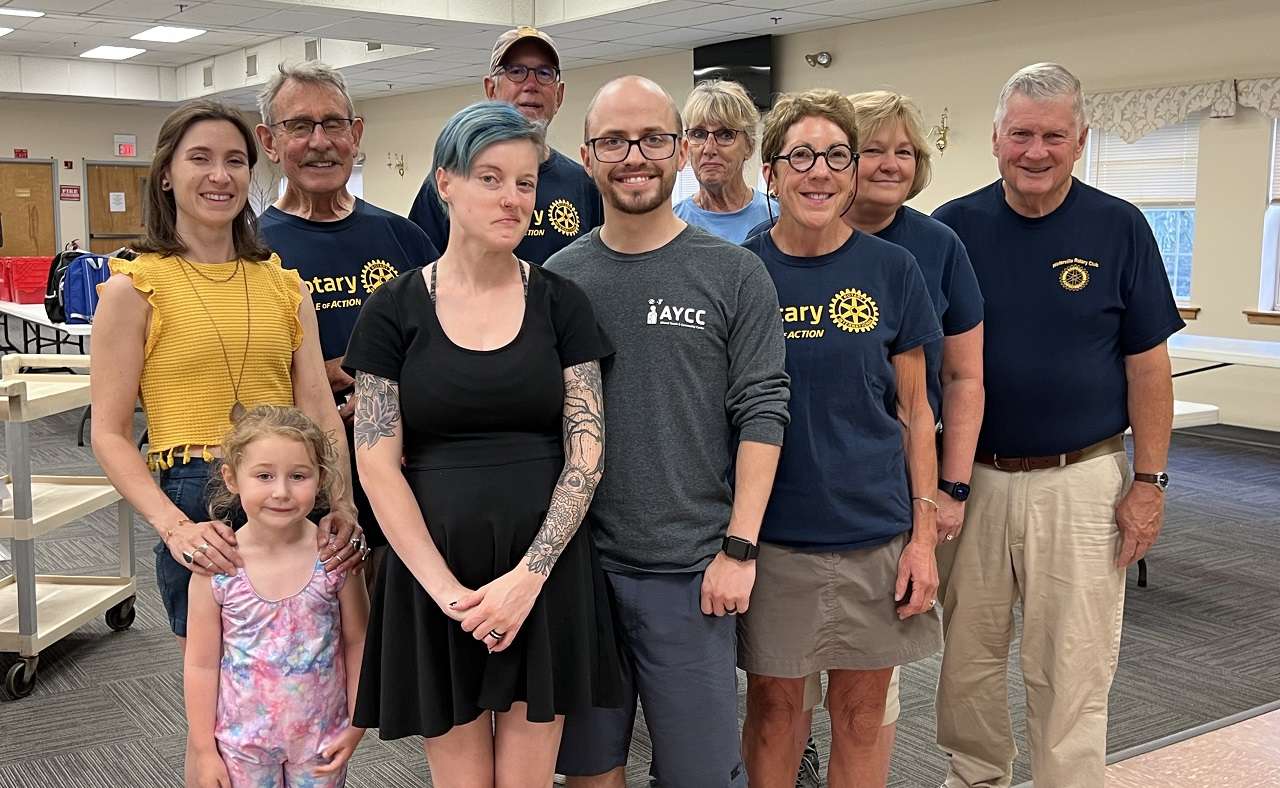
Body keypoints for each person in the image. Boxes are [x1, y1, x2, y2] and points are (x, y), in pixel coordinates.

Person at [345, 101, 622, 787]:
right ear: (446, 183)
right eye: (490, 177)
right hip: (433, 573)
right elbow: (376, 465)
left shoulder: (562, 302)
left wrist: (529, 577)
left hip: (545, 572)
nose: (512, 199)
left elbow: (585, 455)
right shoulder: (394, 309)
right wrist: (446, 593)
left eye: (525, 183)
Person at [932, 63, 1182, 788]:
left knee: (1072, 658)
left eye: (1052, 136)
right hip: (970, 480)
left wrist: (1149, 482)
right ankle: (974, 775)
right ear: (994, 140)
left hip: (1082, 479)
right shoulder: (952, 229)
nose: (1034, 151)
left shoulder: (1120, 227)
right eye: (1020, 135)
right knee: (969, 657)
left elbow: (1148, 369)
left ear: (1079, 141)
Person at [548, 75, 790, 788]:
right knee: (591, 771)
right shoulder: (559, 278)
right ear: (587, 155)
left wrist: (739, 548)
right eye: (614, 141)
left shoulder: (734, 274)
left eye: (653, 138)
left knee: (701, 776)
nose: (634, 156)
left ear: (679, 150)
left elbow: (763, 412)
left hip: (690, 572)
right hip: (580, 571)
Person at [90, 99, 365, 650]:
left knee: (308, 662)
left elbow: (316, 406)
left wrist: (343, 503)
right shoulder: (133, 289)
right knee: (217, 685)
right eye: (200, 158)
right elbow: (109, 434)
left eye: (235, 161)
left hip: (290, 488)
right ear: (167, 175)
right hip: (198, 496)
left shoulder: (284, 285)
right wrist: (175, 528)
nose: (220, 176)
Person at [738, 88, 943, 788]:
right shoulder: (743, 271)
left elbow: (917, 411)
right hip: (775, 541)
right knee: (773, 715)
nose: (819, 172)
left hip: (874, 534)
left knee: (861, 715)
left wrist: (922, 538)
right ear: (772, 174)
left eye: (835, 156)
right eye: (801, 156)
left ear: (853, 171)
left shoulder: (893, 270)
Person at [788, 89, 987, 787]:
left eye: (904, 151)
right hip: (782, 527)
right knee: (778, 709)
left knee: (866, 706)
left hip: (880, 514)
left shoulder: (916, 258)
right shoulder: (758, 259)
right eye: (871, 148)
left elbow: (933, 397)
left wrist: (931, 515)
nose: (886, 163)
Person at [256, 62, 439, 589]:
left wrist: (388, 387)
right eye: (299, 126)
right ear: (270, 141)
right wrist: (317, 376)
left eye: (334, 124)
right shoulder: (252, 250)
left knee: (393, 637)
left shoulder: (406, 239)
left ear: (355, 135)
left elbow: (453, 346)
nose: (320, 141)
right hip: (299, 489)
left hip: (409, 478)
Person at [185, 406, 370, 788]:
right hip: (241, 744)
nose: (281, 491)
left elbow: (358, 640)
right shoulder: (218, 568)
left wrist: (357, 722)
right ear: (232, 478)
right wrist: (204, 749)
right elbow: (202, 664)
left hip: (321, 739)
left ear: (320, 479)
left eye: (298, 476)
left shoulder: (334, 558)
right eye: (264, 475)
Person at [408, 26, 602, 264]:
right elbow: (421, 268)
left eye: (544, 73)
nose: (531, 84)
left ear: (559, 95)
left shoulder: (583, 183)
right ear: (491, 89)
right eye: (516, 71)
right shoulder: (455, 178)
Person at [672, 79, 775, 243]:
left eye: (725, 135)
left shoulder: (776, 218)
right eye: (698, 134)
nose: (709, 149)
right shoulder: (673, 225)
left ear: (749, 145)